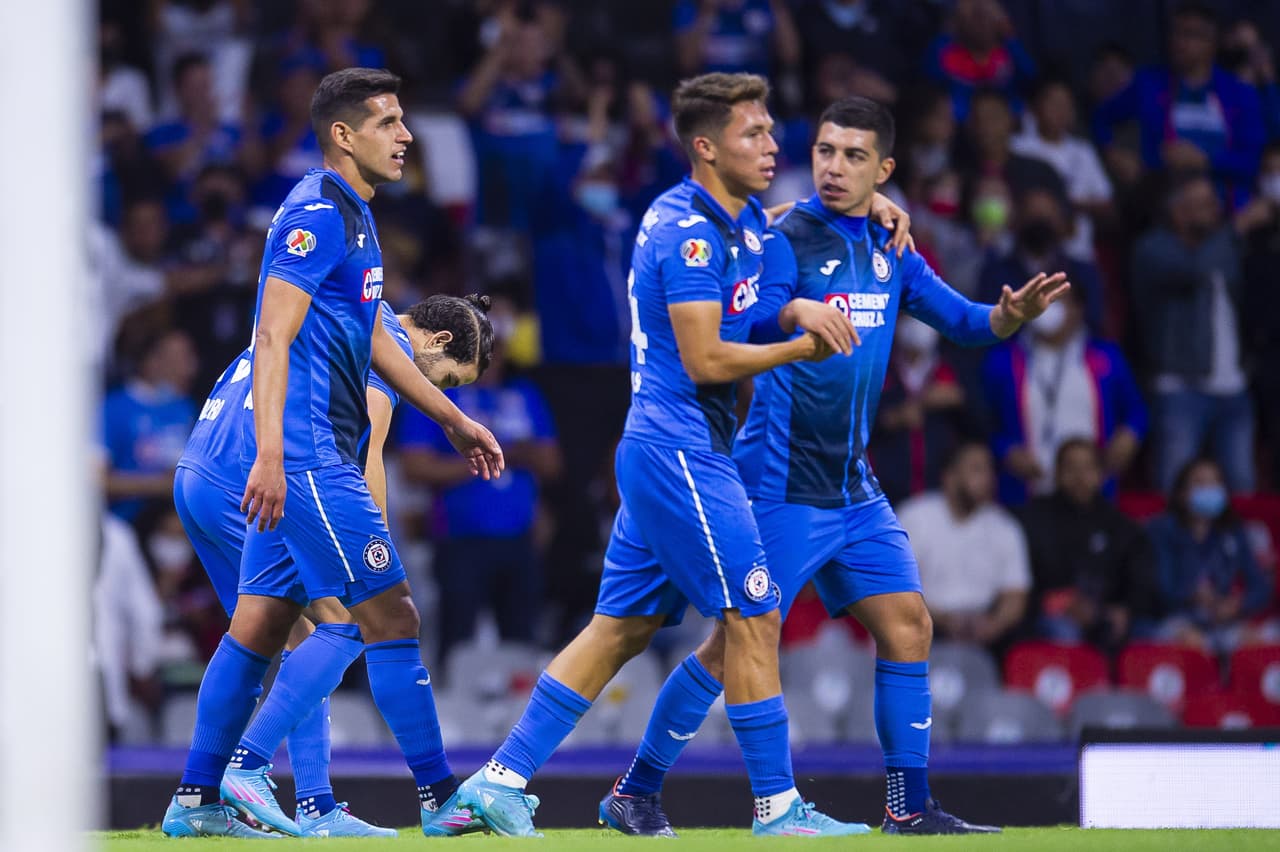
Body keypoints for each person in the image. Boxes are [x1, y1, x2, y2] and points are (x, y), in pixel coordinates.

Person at [601, 96, 1066, 836]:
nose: (834, 167)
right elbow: (748, 314)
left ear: (884, 169)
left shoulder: (892, 246)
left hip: (853, 488)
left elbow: (963, 322)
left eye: (854, 156)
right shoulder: (783, 238)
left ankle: (908, 808)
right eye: (824, 151)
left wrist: (1008, 317)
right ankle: (637, 789)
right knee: (731, 646)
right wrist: (792, 312)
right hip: (781, 483)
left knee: (909, 625)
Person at [451, 71, 879, 839]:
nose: (773, 144)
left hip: (671, 452)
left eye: (770, 130)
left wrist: (813, 281)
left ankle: (498, 781)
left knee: (620, 628)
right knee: (754, 611)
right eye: (754, 133)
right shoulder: (687, 232)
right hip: (680, 452)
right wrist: (798, 347)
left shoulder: (744, 222)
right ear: (706, 147)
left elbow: (760, 295)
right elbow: (708, 358)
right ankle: (779, 809)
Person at [160, 67, 504, 839]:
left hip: (261, 460)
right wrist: (272, 456)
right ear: (343, 135)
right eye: (388, 123)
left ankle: (198, 800)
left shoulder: (356, 219)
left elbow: (374, 331)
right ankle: (418, 796)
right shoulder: (316, 214)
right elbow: (271, 333)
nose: (407, 136)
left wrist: (452, 417)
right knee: (381, 614)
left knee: (260, 630)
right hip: (304, 456)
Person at [172, 295, 492, 839]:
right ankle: (250, 767)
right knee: (352, 618)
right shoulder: (384, 342)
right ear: (438, 341)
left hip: (203, 470)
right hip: (255, 479)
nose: (434, 389)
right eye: (447, 380)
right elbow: (366, 453)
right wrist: (375, 554)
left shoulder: (348, 310)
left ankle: (217, 798)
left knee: (280, 637)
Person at [981, 284, 1146, 504]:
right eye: (1040, 299)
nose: (1047, 308)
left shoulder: (1106, 358)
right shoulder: (1003, 361)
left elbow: (1137, 411)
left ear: (1078, 309)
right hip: (1028, 489)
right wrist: (1006, 451)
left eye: (1056, 301)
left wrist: (1129, 435)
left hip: (1091, 491)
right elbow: (984, 422)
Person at [1018, 438, 1156, 652]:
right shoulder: (1033, 519)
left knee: (1154, 635)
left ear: (1100, 474)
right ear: (1056, 473)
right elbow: (1020, 583)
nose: (1080, 476)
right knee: (1063, 632)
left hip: (1106, 616)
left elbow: (1141, 581)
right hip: (1053, 617)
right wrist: (1055, 603)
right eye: (1070, 468)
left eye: (1088, 468)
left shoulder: (1121, 525)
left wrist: (1125, 610)